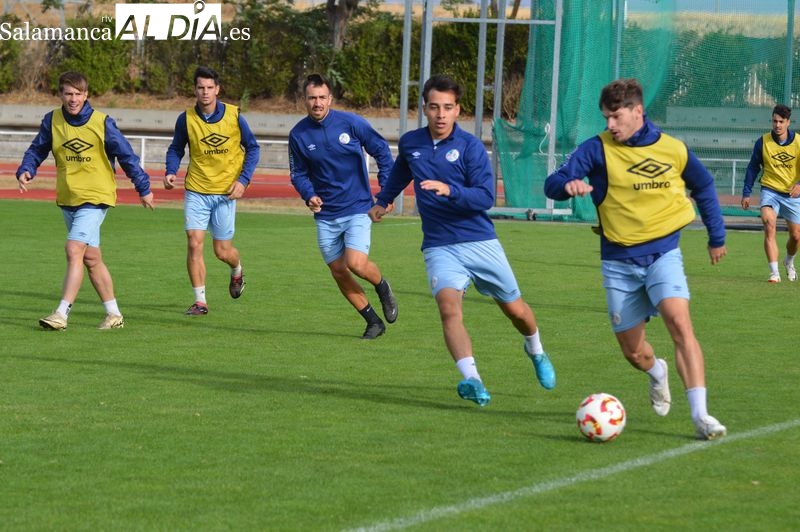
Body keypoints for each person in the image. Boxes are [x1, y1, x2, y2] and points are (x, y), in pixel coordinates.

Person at [544, 78, 727, 440]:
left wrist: (716, 235)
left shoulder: (673, 149)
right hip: (618, 262)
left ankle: (702, 416)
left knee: (680, 324)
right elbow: (554, 181)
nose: (609, 125)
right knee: (633, 352)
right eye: (605, 117)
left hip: (664, 253)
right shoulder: (595, 149)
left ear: (637, 112)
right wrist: (568, 186)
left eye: (615, 116)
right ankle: (656, 372)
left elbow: (703, 185)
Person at [369, 74, 555, 405]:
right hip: (439, 244)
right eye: (434, 107)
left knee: (516, 310)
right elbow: (401, 170)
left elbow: (484, 197)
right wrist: (384, 200)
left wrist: (449, 190)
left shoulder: (470, 148)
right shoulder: (412, 143)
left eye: (448, 107)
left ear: (458, 110)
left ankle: (536, 350)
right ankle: (473, 380)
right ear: (424, 108)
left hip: (479, 241)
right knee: (448, 309)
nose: (441, 114)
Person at [16, 71, 155, 330]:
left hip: (96, 197)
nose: (73, 99)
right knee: (91, 258)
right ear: (60, 94)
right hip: (68, 198)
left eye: (78, 94)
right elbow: (37, 149)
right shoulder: (52, 120)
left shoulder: (102, 123)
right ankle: (114, 315)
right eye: (68, 93)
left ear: (86, 95)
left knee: (73, 250)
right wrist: (27, 169)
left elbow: (127, 156)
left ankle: (61, 313)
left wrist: (143, 187)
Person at [289, 73, 398, 340]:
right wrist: (308, 195)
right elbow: (298, 174)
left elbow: (382, 151)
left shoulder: (351, 123)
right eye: (312, 98)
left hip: (358, 208)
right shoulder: (298, 135)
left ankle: (382, 287)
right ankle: (373, 321)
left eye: (322, 97)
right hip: (326, 215)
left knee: (356, 263)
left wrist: (386, 192)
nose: (317, 103)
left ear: (330, 99)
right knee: (338, 271)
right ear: (304, 100)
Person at [165, 66, 260, 315]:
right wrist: (170, 170)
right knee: (194, 243)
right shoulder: (186, 118)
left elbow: (253, 148)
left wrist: (243, 181)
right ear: (194, 90)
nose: (205, 92)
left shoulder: (234, 115)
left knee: (222, 251)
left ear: (217, 89)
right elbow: (176, 148)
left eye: (209, 88)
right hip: (196, 189)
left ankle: (237, 269)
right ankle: (200, 301)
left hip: (226, 193)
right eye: (200, 88)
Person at [740, 104, 800, 283]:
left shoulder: (798, 142)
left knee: (796, 236)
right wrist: (746, 192)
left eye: (781, 121)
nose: (777, 125)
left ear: (788, 122)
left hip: (792, 193)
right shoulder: (763, 142)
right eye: (774, 121)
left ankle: (789, 261)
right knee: (769, 223)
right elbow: (752, 168)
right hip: (770, 189)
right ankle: (774, 273)